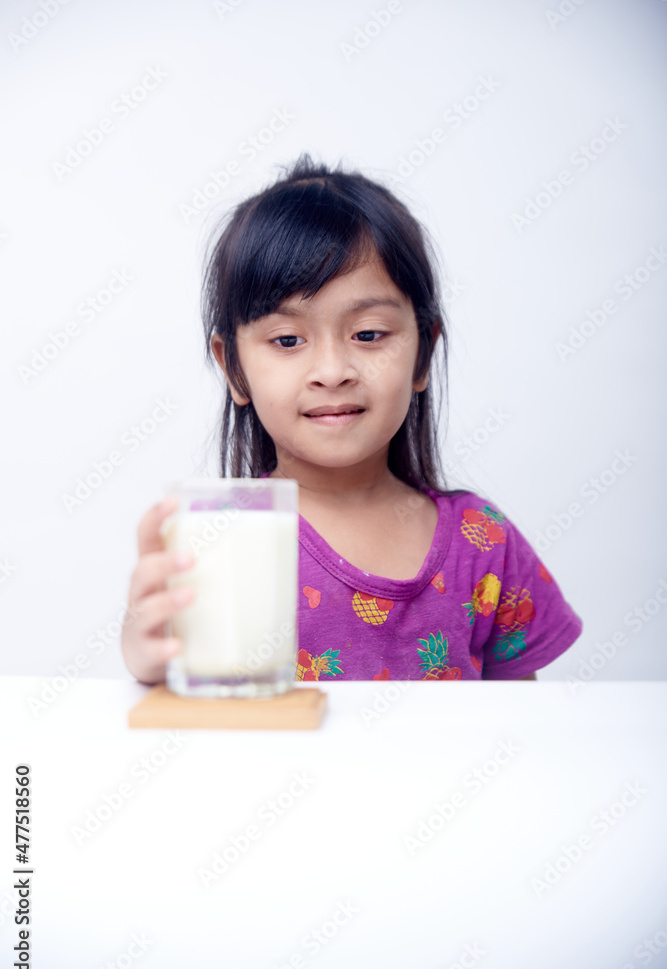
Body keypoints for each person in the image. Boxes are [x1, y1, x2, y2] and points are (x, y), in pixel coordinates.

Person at [121, 153, 583, 684]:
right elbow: (190, 707)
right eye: (288, 340)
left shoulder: (484, 543)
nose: (332, 370)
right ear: (234, 369)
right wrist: (145, 657)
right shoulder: (221, 542)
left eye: (368, 334)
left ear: (423, 357)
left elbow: (522, 726)